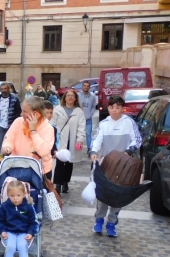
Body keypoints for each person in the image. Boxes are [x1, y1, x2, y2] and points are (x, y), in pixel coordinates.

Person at [90, 96, 142, 238]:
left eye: (117, 107)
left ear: (122, 108)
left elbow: (137, 140)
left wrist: (128, 151)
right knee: (103, 193)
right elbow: (96, 140)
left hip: (123, 166)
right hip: (106, 164)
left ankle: (112, 222)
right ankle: (99, 220)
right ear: (108, 108)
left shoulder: (129, 122)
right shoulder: (104, 124)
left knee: (119, 194)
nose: (114, 110)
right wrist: (94, 151)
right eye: (112, 107)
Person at [0, 180, 37, 257]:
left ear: (24, 194)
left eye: (18, 195)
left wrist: (30, 233)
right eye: (12, 195)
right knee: (10, 247)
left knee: (22, 246)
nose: (15, 198)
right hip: (9, 231)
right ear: (8, 195)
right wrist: (2, 230)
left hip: (23, 232)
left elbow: (33, 223)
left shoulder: (28, 207)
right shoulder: (5, 206)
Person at [1, 97, 56, 176]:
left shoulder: (48, 128)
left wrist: (33, 131)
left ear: (35, 114)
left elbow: (43, 151)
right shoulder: (18, 121)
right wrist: (7, 147)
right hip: (17, 167)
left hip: (40, 171)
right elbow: (9, 139)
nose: (21, 114)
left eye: (24, 111)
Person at [51, 90, 86, 194]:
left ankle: (65, 182)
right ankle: (58, 184)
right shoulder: (58, 109)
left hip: (72, 140)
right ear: (65, 98)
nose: (70, 97)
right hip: (60, 139)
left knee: (69, 163)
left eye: (72, 96)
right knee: (60, 162)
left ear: (75, 98)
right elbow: (52, 124)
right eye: (68, 95)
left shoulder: (79, 111)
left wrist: (80, 140)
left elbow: (81, 127)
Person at [0, 83, 22, 168]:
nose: (3, 91)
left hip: (11, 125)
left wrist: (16, 123)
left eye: (5, 89)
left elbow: (18, 112)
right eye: (2, 89)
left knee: (9, 143)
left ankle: (8, 160)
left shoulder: (14, 99)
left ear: (9, 89)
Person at [78, 81, 97, 152]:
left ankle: (90, 149)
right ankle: (76, 149)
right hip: (79, 119)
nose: (86, 87)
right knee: (77, 134)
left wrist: (90, 114)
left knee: (88, 134)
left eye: (87, 86)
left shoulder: (92, 96)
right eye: (84, 85)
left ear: (89, 87)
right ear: (82, 86)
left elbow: (93, 106)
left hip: (88, 119)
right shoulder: (78, 95)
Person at [42, 101, 58, 180]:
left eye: (51, 113)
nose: (49, 115)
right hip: (37, 161)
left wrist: (54, 151)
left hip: (47, 162)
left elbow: (53, 144)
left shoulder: (53, 128)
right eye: (46, 112)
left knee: (47, 182)